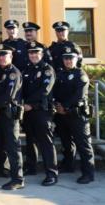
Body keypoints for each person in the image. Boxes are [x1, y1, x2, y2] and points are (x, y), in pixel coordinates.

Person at [53, 46, 95, 184]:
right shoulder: (60, 74)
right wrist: (57, 105)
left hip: (77, 114)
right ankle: (68, 165)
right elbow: (55, 92)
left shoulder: (80, 75)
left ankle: (88, 173)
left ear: (77, 59)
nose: (68, 61)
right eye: (66, 58)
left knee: (83, 145)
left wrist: (64, 107)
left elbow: (78, 96)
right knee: (67, 143)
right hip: (62, 114)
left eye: (71, 58)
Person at [21, 42, 58, 186]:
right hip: (28, 112)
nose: (33, 55)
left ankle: (52, 173)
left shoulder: (47, 69)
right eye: (31, 53)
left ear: (41, 54)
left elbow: (44, 90)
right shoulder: (27, 70)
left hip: (42, 111)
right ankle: (31, 167)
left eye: (36, 53)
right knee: (31, 141)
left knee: (46, 142)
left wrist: (29, 103)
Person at [0, 44, 24, 190]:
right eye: (0, 55)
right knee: (0, 145)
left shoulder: (13, 73)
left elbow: (8, 96)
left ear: (11, 57)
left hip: (9, 115)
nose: (2, 58)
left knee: (13, 147)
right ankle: (4, 170)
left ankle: (18, 179)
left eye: (5, 55)